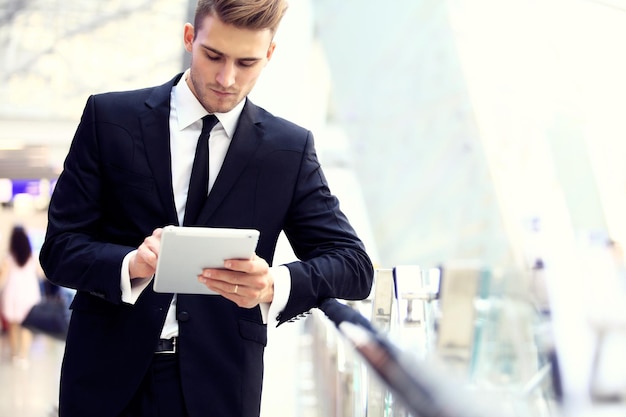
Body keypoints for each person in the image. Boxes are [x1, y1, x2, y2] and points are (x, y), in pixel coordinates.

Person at [39, 1, 374, 416]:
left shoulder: (288, 150)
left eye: (246, 62)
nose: (226, 78)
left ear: (270, 55)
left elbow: (354, 266)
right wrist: (131, 263)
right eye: (213, 55)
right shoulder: (109, 119)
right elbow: (59, 249)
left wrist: (272, 285)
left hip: (219, 388)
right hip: (104, 380)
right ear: (188, 39)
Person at [0, 225, 42, 368]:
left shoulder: (8, 258)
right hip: (29, 294)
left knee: (13, 325)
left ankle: (14, 354)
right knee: (26, 326)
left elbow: (3, 279)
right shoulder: (32, 257)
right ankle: (23, 356)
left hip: (12, 295)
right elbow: (40, 274)